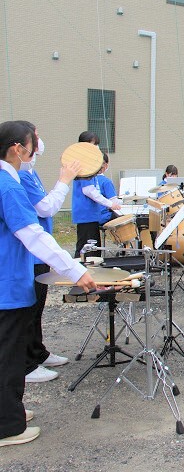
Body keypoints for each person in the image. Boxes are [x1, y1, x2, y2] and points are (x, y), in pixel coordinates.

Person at [0, 120, 96, 447]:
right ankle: (6, 427)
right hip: (7, 283)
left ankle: (7, 410)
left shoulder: (9, 179)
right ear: (18, 148)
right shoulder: (9, 185)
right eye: (33, 139)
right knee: (8, 355)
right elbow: (33, 234)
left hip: (8, 279)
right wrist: (75, 271)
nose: (37, 145)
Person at [16, 121, 81, 384]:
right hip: (30, 254)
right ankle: (27, 364)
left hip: (39, 255)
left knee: (38, 307)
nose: (39, 143)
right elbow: (46, 208)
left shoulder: (30, 173)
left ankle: (38, 352)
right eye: (36, 138)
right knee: (28, 310)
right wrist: (64, 180)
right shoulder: (19, 176)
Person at [73, 134, 121, 257]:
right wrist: (111, 204)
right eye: (94, 144)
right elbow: (89, 191)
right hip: (86, 214)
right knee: (87, 250)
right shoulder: (83, 165)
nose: (97, 148)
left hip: (91, 215)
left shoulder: (88, 164)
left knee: (94, 249)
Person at [97, 153, 120, 226]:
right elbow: (114, 202)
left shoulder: (88, 180)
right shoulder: (106, 182)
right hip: (103, 217)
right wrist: (124, 201)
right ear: (106, 166)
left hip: (90, 217)